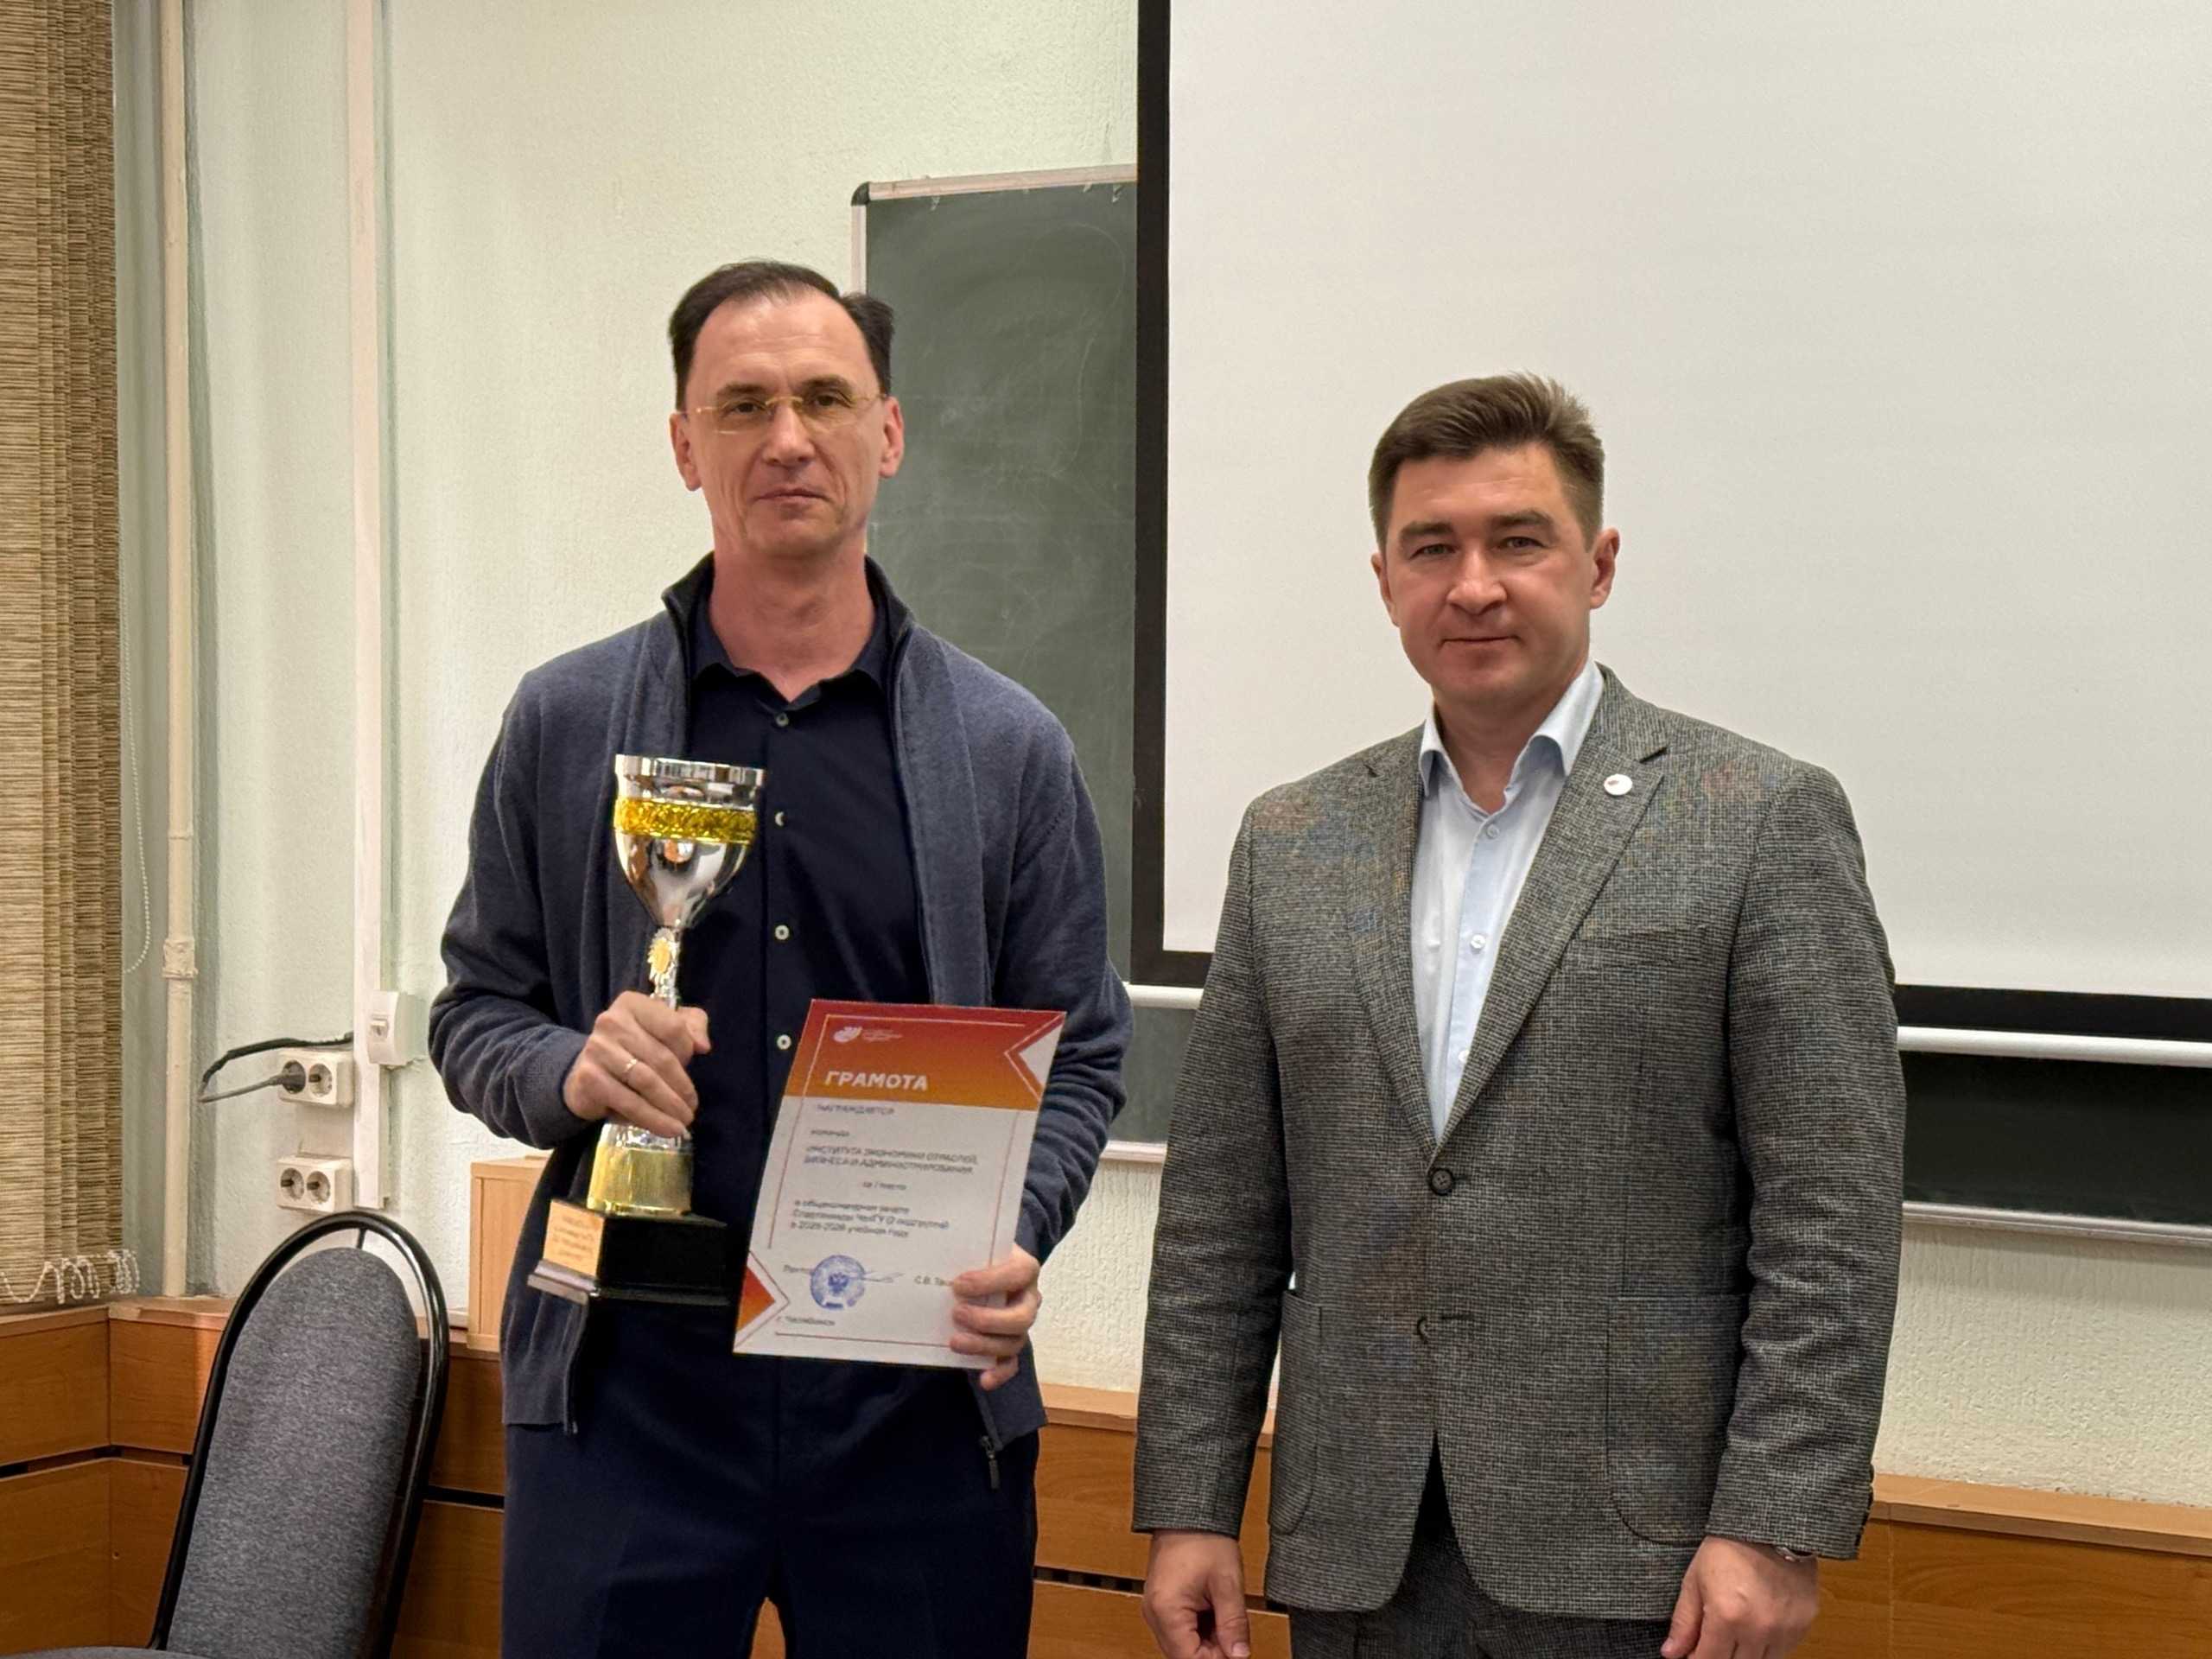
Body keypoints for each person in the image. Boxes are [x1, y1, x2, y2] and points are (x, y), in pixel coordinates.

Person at [1134, 374, 1904, 1659]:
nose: (1474, 586)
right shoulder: (1292, 841)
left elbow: (1833, 1217)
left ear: (1598, 566)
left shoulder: (1758, 817)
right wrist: (1190, 1504)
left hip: (1646, 1560)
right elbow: (1222, 1214)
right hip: (1356, 1551)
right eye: (1432, 548)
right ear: (1385, 579)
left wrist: (1774, 1524)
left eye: (1520, 541)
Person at [429, 258, 1129, 1658]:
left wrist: (1018, 1228)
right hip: (626, 1395)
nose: (788, 438)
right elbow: (475, 1015)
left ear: (890, 433)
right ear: (685, 445)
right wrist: (571, 1071)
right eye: (743, 405)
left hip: (912, 1401)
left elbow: (1085, 1053)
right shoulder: (565, 723)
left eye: (824, 398)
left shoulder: (1007, 750)